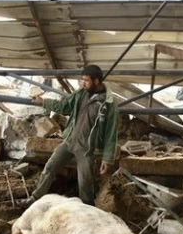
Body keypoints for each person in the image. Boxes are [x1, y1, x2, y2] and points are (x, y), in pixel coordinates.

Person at [24, 64, 119, 205]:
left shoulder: (108, 103)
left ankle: (87, 209)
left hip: (86, 149)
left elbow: (111, 131)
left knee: (85, 182)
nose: (82, 83)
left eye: (86, 80)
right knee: (50, 167)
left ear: (97, 81)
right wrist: (44, 102)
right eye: (82, 80)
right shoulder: (81, 93)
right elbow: (65, 106)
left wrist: (107, 159)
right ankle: (34, 198)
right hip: (69, 141)